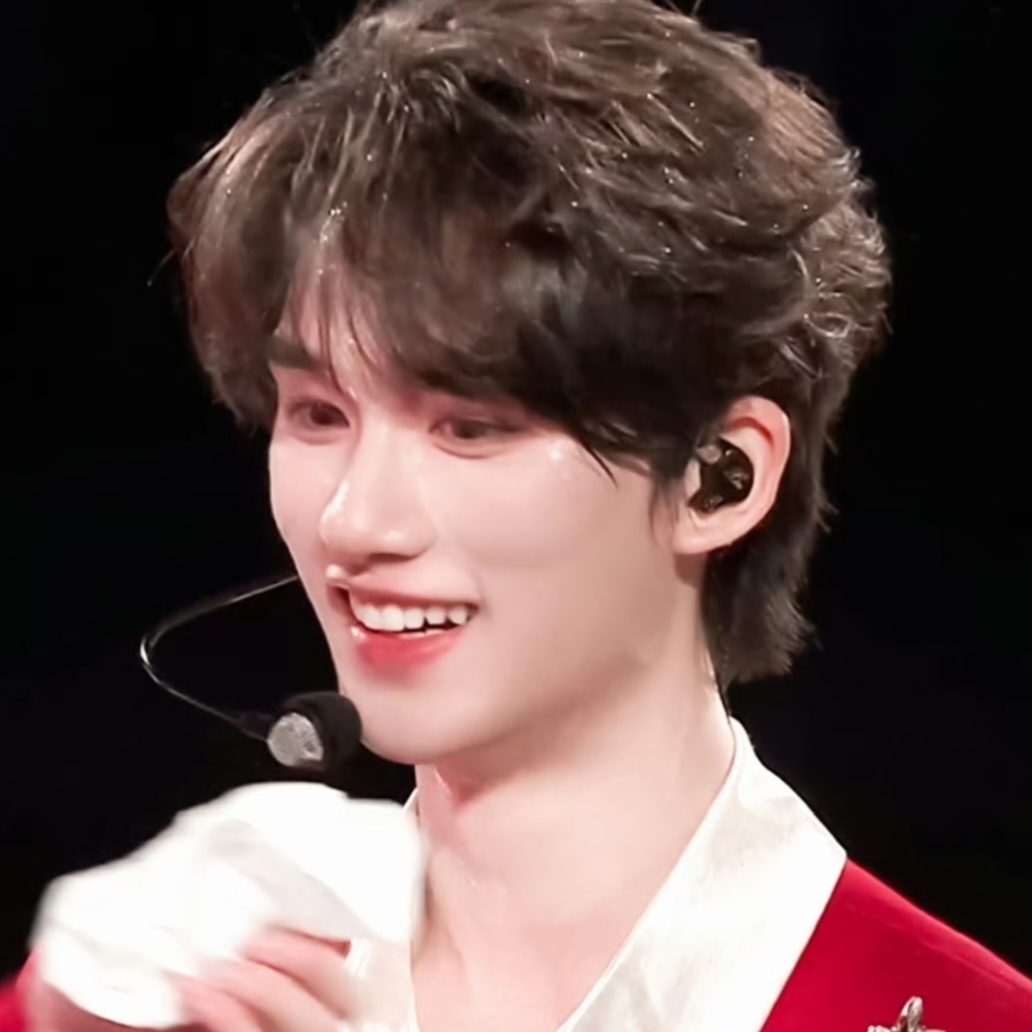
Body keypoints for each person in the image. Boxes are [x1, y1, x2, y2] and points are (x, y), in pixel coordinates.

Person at [4, 0, 1031, 1029]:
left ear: (717, 477)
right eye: (318, 414)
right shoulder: (134, 1001)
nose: (354, 522)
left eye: (471, 428)